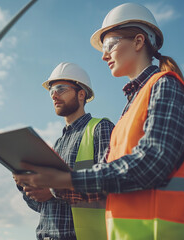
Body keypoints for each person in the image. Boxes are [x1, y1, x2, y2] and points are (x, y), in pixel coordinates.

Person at [14, 3, 184, 240]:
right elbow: (102, 186)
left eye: (109, 45)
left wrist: (65, 179)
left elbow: (151, 164)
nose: (104, 55)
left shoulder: (165, 86)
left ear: (138, 41)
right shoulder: (130, 108)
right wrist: (43, 183)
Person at [16, 62, 114, 240]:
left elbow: (110, 186)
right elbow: (44, 207)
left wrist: (53, 189)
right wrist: (26, 186)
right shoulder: (58, 143)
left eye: (61, 89)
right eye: (51, 90)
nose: (54, 95)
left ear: (81, 94)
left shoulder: (100, 128)